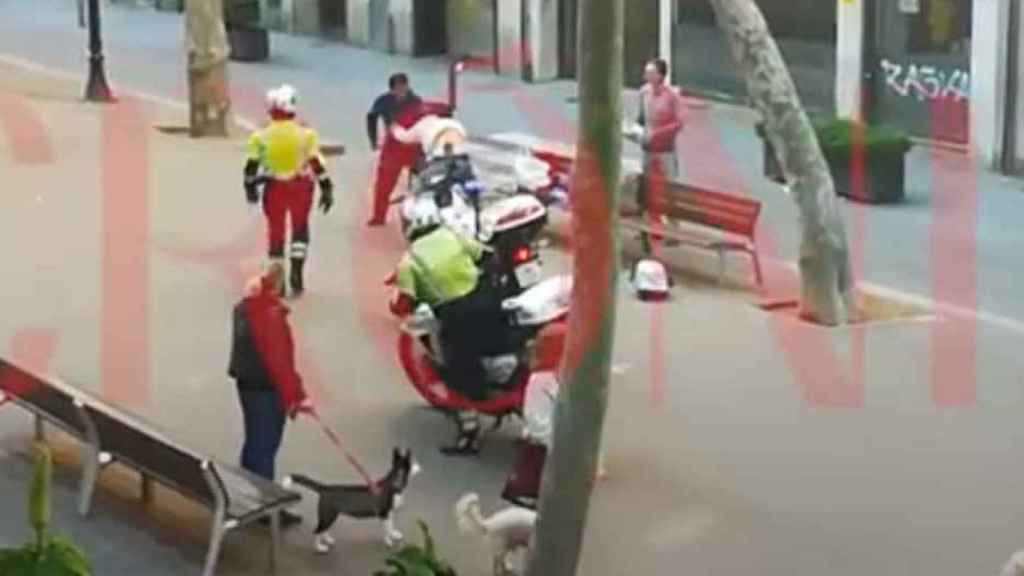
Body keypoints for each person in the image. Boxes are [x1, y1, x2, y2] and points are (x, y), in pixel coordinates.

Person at [389, 207, 503, 456]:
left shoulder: (410, 262)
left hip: (458, 315)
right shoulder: (451, 235)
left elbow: (402, 305)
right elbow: (484, 254)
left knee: (457, 372)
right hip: (489, 300)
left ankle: (469, 434)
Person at [228, 263, 310, 527]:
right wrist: (296, 398)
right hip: (266, 390)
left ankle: (246, 495)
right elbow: (280, 363)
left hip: (247, 384)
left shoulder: (244, 310)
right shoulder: (271, 317)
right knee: (265, 447)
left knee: (253, 442)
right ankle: (263, 507)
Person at [244, 84, 335, 297]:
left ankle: (278, 282)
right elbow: (316, 164)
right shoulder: (306, 135)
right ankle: (297, 272)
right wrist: (327, 188)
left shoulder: (260, 136)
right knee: (300, 229)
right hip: (301, 186)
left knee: (276, 232)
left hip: (274, 187)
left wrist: (250, 189)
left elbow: (250, 168)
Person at [629, 58, 685, 248]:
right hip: (647, 148)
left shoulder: (671, 97)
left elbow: (679, 123)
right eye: (646, 73)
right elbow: (641, 118)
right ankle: (648, 227)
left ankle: (674, 230)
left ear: (661, 76)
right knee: (646, 188)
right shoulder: (644, 92)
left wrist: (659, 133)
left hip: (665, 150)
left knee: (669, 189)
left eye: (651, 73)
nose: (647, 76)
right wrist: (635, 131)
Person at [366, 73, 426, 227]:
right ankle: (379, 216)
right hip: (393, 146)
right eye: (397, 88)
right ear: (391, 89)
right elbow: (371, 117)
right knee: (384, 183)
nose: (401, 91)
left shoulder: (416, 101)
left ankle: (420, 214)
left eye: (403, 87)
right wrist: (373, 139)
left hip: (413, 144)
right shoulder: (383, 101)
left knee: (423, 181)